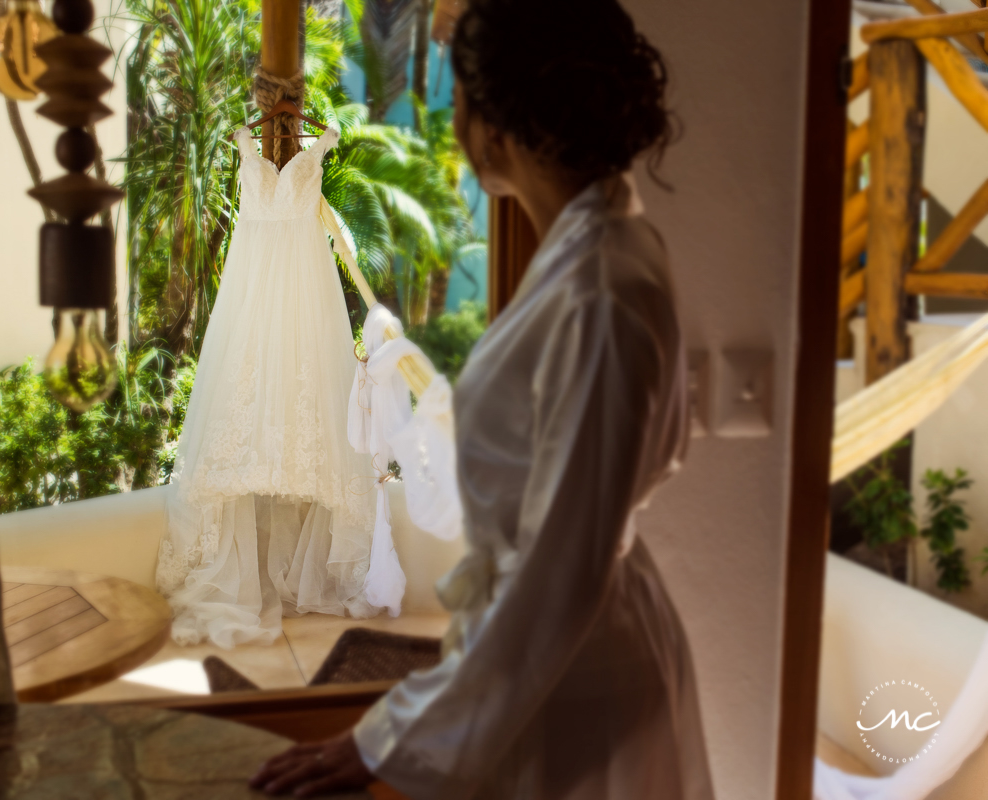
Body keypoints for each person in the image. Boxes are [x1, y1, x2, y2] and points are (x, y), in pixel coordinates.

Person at [249, 0, 716, 796]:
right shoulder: (593, 247)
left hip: (574, 683)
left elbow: (557, 570)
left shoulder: (600, 287)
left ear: (494, 125)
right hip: (557, 661)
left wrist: (381, 739)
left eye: (460, 97)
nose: (453, 116)